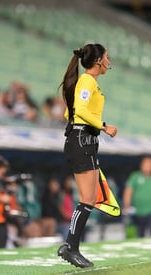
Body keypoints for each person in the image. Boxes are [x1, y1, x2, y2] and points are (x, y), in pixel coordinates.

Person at [57, 43, 117, 268]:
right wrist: (103, 126)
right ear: (99, 60)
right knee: (87, 199)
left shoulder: (88, 83)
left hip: (82, 141)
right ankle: (70, 247)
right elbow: (79, 111)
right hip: (83, 141)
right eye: (107, 57)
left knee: (88, 199)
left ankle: (71, 246)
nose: (109, 62)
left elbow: (69, 112)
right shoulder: (87, 81)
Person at [123, 156, 151, 238]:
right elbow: (128, 191)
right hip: (138, 210)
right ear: (141, 165)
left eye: (150, 164)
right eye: (146, 164)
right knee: (140, 233)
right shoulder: (135, 177)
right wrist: (126, 205)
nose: (148, 166)